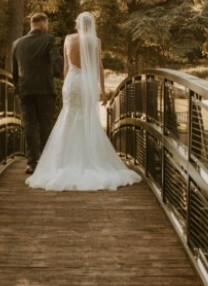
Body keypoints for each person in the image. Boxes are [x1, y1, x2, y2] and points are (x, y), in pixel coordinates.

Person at [26, 11, 141, 191]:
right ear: (91, 25)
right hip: (86, 83)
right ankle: (90, 159)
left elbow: (65, 67)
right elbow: (99, 67)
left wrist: (66, 86)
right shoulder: (95, 42)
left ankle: (63, 162)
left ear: (78, 24)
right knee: (87, 117)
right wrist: (103, 92)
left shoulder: (69, 39)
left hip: (72, 83)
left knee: (69, 116)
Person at [12, 12, 63, 174]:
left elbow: (14, 71)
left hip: (25, 90)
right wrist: (61, 73)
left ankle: (32, 163)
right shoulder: (48, 40)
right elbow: (56, 60)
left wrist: (17, 88)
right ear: (42, 24)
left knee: (29, 126)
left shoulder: (17, 44)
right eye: (46, 24)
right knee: (45, 125)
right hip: (45, 90)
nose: (47, 27)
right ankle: (47, 162)